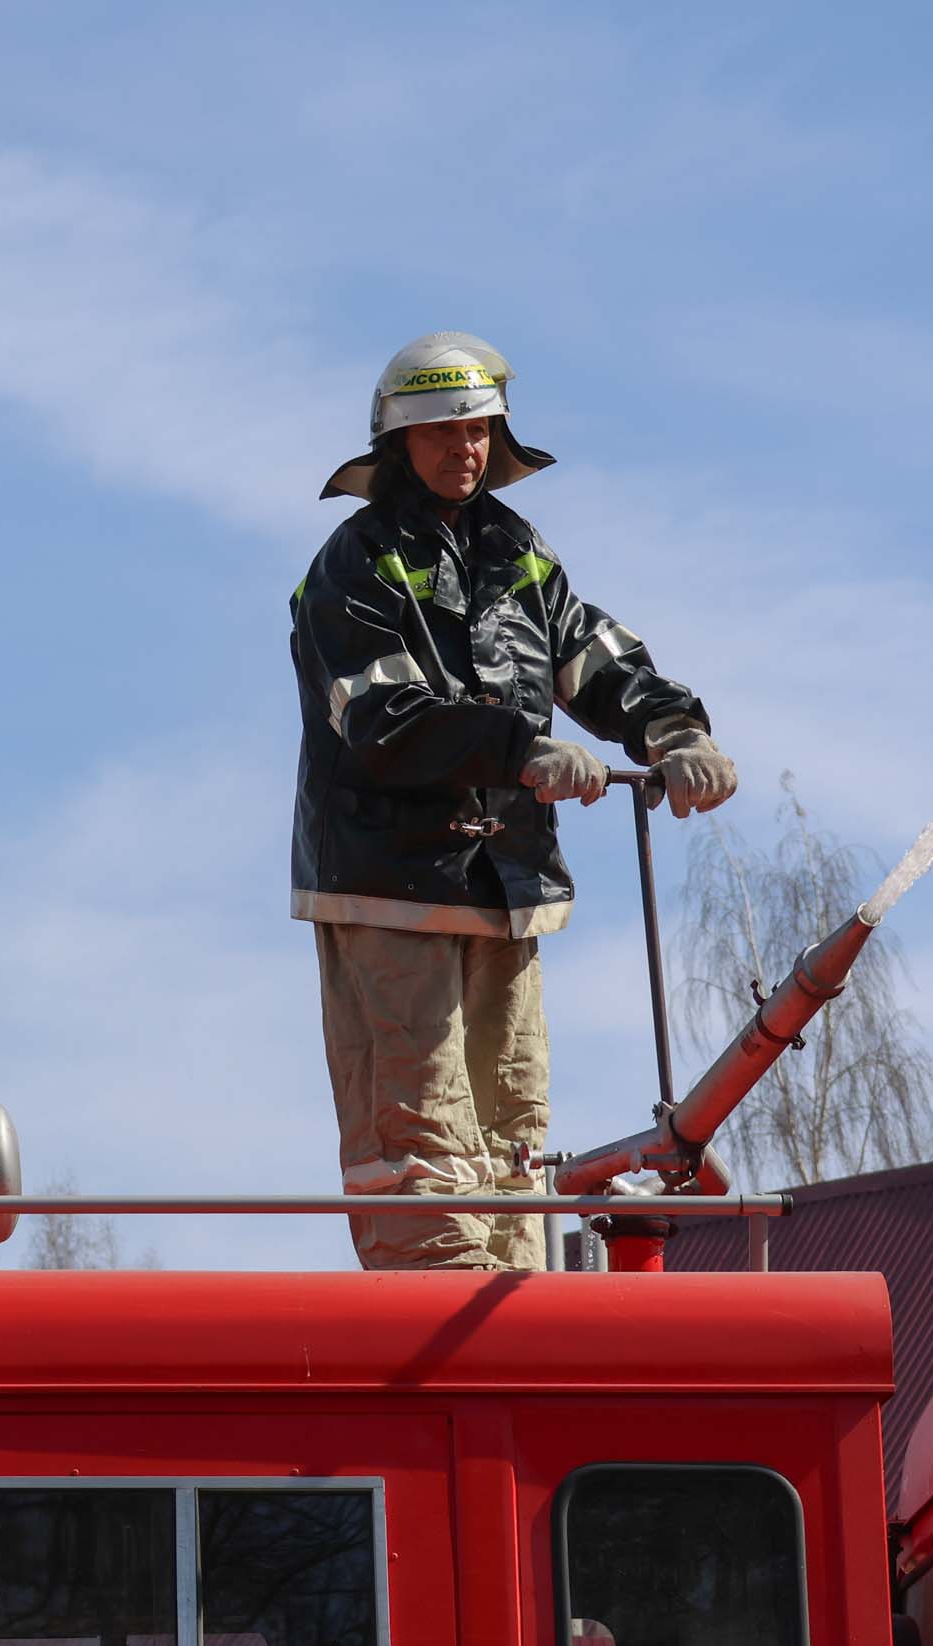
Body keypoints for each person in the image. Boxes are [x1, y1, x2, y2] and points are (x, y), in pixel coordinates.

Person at [290, 333, 738, 1270]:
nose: (467, 448)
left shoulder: (516, 553)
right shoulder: (356, 562)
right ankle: (437, 1335)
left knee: (511, 1133)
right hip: (391, 886)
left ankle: (512, 1337)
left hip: (505, 888)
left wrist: (673, 731)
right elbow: (384, 719)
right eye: (445, 430)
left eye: (482, 429)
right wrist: (523, 750)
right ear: (399, 444)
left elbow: (594, 655)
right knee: (421, 1143)